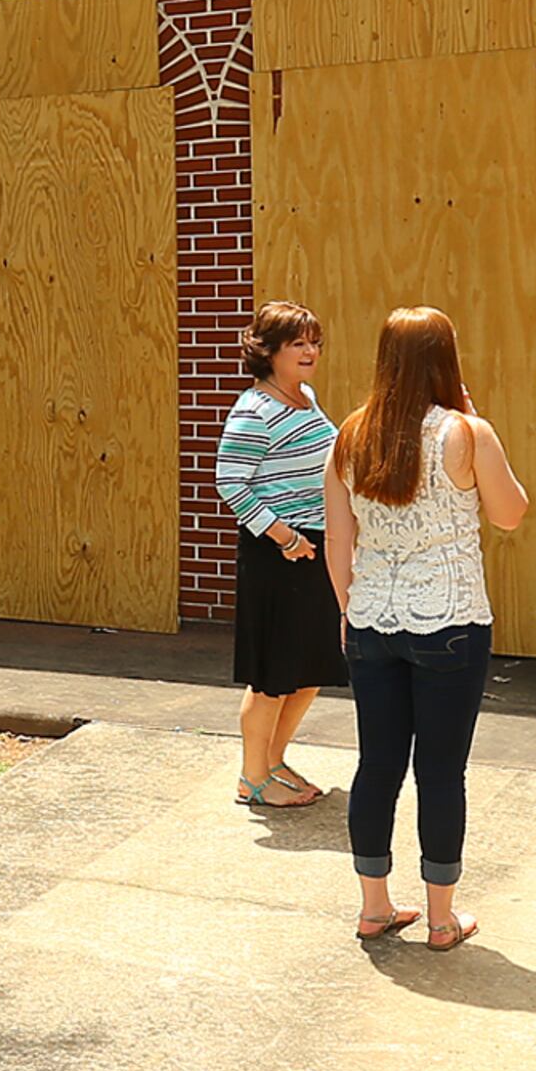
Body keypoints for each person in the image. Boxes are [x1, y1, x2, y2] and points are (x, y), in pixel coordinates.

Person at [322, 307, 528, 951]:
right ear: (447, 359)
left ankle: (374, 907)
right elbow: (511, 514)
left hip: (372, 620)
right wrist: (473, 415)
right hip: (451, 621)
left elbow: (338, 536)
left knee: (377, 764)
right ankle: (442, 919)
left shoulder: (351, 434)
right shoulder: (467, 432)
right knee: (441, 770)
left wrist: (348, 611)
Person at [216, 299, 341, 807]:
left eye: (314, 341)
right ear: (268, 352)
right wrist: (285, 537)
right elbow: (231, 483)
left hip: (313, 551)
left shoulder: (304, 397)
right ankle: (253, 778)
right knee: (272, 676)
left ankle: (273, 759)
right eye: (298, 344)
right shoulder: (255, 410)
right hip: (278, 557)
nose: (310, 351)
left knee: (309, 669)